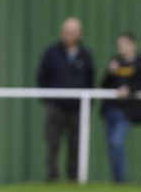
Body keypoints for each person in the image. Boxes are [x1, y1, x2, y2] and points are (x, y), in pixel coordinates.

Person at [37, 17, 94, 182]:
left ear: (79, 34)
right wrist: (49, 100)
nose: (67, 34)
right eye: (65, 31)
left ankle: (74, 178)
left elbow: (91, 81)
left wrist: (87, 105)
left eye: (71, 32)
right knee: (52, 143)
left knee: (76, 146)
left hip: (78, 108)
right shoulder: (51, 53)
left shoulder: (86, 55)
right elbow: (42, 78)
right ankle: (52, 177)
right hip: (56, 106)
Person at [100, 32, 141, 183]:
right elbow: (104, 84)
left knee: (116, 141)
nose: (121, 47)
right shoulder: (115, 62)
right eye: (119, 44)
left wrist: (129, 89)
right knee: (111, 145)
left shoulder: (139, 63)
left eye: (124, 43)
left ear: (132, 44)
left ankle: (121, 180)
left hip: (128, 111)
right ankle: (117, 180)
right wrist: (110, 72)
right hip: (111, 109)